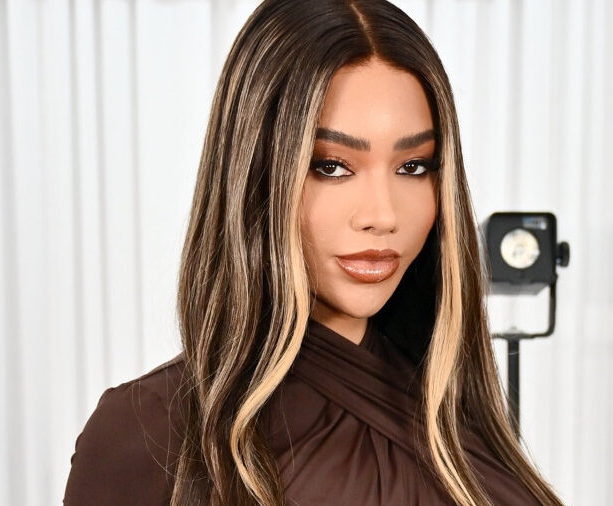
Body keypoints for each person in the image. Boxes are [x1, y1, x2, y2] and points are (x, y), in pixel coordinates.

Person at [63, 0, 564, 504]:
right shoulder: (149, 433)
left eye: (413, 166)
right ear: (256, 175)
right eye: (330, 166)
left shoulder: (454, 415)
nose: (383, 215)